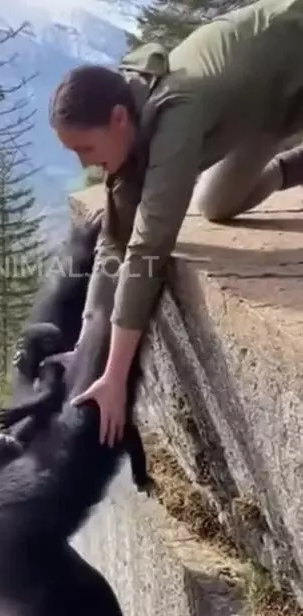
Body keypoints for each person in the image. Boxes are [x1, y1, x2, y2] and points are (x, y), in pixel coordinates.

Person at [48, 0, 303, 447]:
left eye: (85, 148)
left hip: (292, 51)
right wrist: (88, 343)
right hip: (262, 108)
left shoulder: (174, 113)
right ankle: (293, 167)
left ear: (118, 119)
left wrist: (115, 378)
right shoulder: (125, 118)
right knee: (216, 204)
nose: (85, 163)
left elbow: (148, 248)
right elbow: (116, 242)